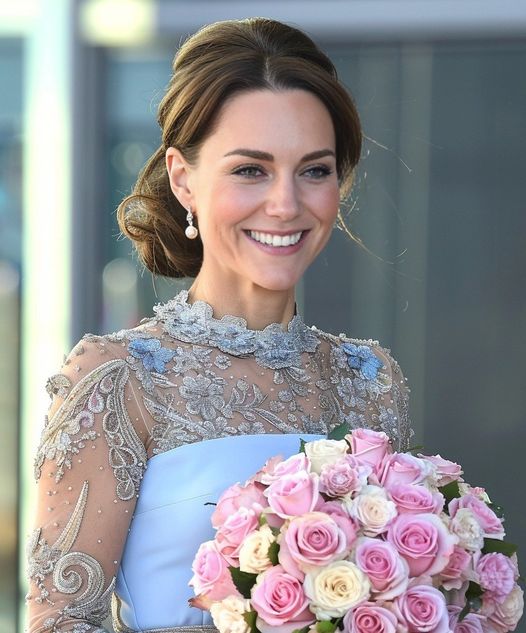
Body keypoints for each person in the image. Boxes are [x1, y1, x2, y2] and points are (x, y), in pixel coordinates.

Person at [26, 17, 413, 633]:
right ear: (184, 179)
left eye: (314, 170)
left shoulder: (372, 380)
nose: (286, 204)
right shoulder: (116, 378)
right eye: (250, 170)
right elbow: (60, 621)